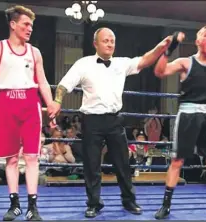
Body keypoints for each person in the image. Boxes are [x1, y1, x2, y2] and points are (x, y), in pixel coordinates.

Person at [47, 27, 172, 218]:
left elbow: (145, 60)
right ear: (95, 43)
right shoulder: (83, 64)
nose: (110, 44)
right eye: (105, 40)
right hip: (92, 121)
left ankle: (129, 201)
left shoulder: (121, 64)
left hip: (114, 120)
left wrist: (161, 47)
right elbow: (64, 84)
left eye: (112, 40)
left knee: (123, 163)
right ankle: (94, 203)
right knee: (91, 165)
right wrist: (57, 101)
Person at [153, 25, 206, 221]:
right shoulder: (186, 62)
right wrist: (169, 50)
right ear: (198, 41)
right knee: (177, 161)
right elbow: (160, 72)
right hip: (188, 116)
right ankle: (165, 206)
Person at [0, 5, 54, 221]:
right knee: (11, 159)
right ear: (13, 25)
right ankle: (14, 204)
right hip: (6, 104)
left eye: (31, 25)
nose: (29, 28)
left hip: (30, 104)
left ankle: (33, 206)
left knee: (32, 157)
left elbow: (42, 80)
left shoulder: (35, 52)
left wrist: (51, 104)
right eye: (25, 24)